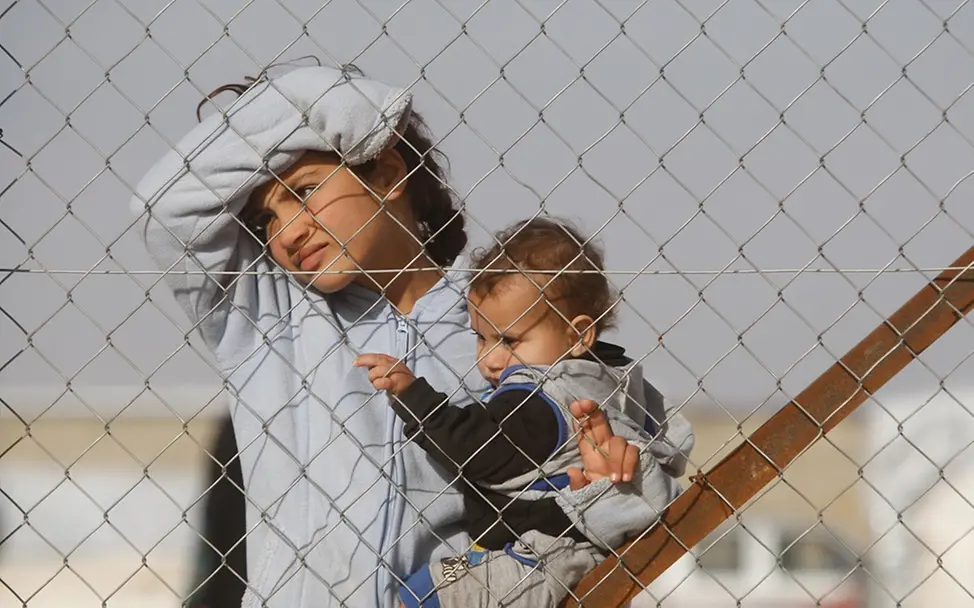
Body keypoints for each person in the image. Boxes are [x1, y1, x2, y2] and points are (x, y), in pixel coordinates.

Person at [130, 63, 694, 608]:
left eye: (302, 192)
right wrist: (323, 103)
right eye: (266, 221)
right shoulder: (267, 315)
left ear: (389, 174)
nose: (288, 232)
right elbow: (163, 209)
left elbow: (601, 457)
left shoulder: (506, 324)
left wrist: (617, 468)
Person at [356, 217, 687, 608]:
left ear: (578, 334)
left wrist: (414, 397)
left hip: (538, 556)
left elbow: (480, 450)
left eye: (510, 340)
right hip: (578, 547)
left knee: (420, 595)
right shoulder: (615, 380)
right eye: (481, 337)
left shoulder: (539, 399)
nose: (490, 358)